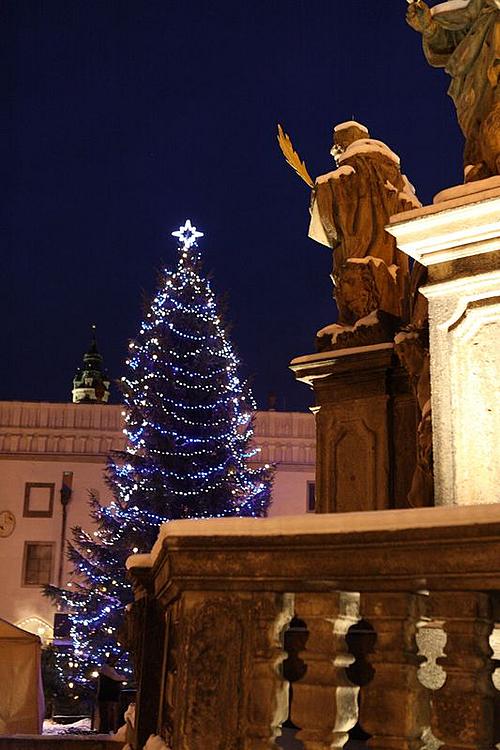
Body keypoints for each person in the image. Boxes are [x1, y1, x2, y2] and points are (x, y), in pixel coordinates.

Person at [406, 0, 500, 180]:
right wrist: (430, 28)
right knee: (485, 134)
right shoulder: (479, 9)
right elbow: (454, 42)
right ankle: (484, 165)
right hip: (480, 85)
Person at [97, 656, 125, 734]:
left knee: (107, 714)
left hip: (109, 696)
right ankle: (104, 731)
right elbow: (116, 678)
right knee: (106, 714)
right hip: (107, 696)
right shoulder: (106, 669)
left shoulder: (108, 669)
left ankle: (106, 730)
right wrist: (123, 678)